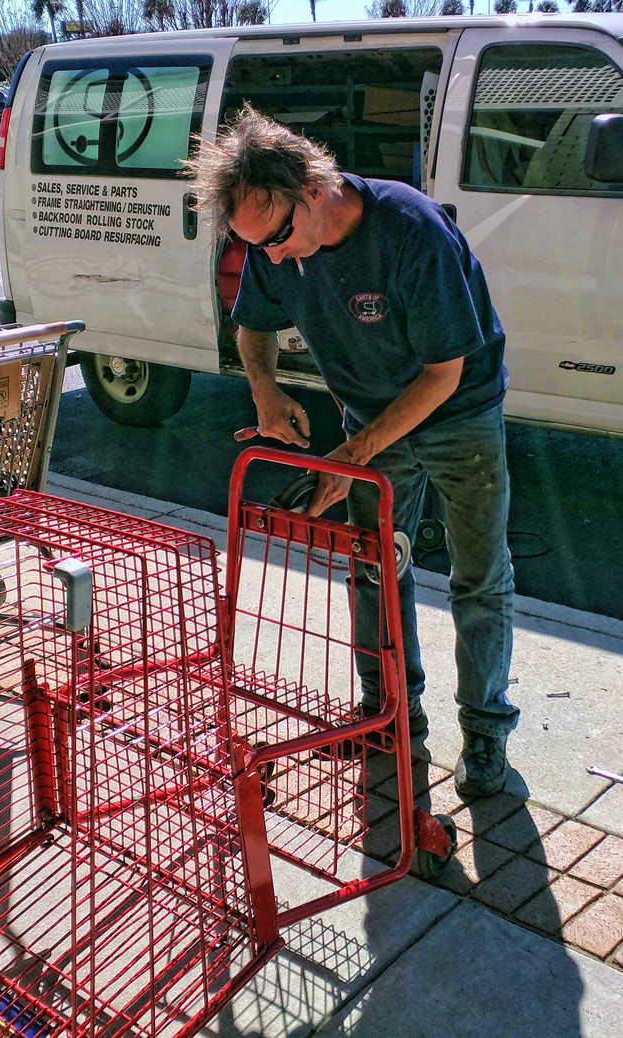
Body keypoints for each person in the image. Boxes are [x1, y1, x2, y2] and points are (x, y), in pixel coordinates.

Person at [184, 104, 518, 798]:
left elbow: (442, 374)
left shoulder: (409, 231)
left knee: (478, 577)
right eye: (256, 247)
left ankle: (485, 733)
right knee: (372, 569)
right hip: (368, 412)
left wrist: (353, 455)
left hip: (459, 414)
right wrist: (265, 391)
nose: (272, 257)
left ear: (313, 188)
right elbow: (252, 326)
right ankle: (390, 713)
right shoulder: (274, 242)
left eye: (275, 237)